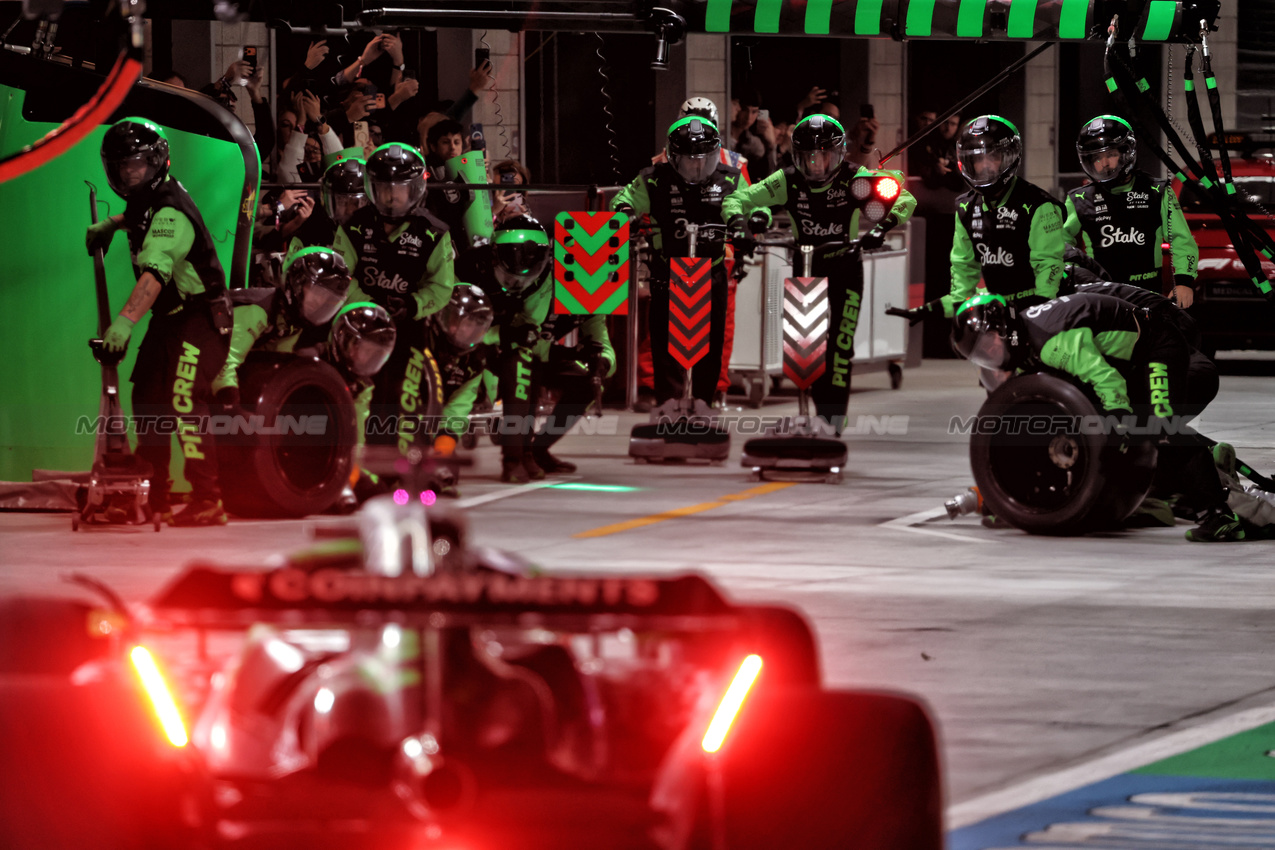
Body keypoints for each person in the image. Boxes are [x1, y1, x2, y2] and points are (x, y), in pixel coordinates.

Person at [951, 292, 1244, 542]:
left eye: (989, 344)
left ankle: (1218, 517)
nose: (990, 355)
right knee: (1144, 432)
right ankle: (1204, 481)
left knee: (1162, 428)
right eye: (982, 355)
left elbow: (1106, 380)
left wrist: (1117, 422)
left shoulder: (1052, 342)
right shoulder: (1029, 335)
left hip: (1157, 346)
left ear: (1003, 329)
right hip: (1130, 359)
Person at [721, 113, 915, 431]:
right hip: (806, 268)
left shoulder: (855, 178)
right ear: (797, 157)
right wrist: (741, 226)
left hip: (846, 268)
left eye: (825, 155)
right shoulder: (786, 180)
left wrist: (883, 228)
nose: (817, 165)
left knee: (840, 345)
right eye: (809, 157)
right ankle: (812, 415)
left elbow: (904, 198)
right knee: (803, 347)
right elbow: (738, 199)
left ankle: (832, 419)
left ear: (838, 153)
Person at [84, 117, 233, 526]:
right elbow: (136, 216)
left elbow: (154, 274)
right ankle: (157, 498)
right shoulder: (146, 198)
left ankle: (209, 500)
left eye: (136, 165)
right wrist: (111, 224)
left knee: (184, 399)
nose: (128, 174)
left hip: (200, 315)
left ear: (156, 161)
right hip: (170, 318)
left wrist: (124, 323)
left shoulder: (171, 212)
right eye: (120, 167)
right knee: (148, 399)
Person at [611, 117, 745, 409]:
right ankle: (668, 406)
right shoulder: (653, 178)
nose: (697, 167)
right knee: (664, 344)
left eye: (704, 160)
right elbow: (624, 200)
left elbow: (754, 204)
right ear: (673, 157)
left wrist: (750, 223)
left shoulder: (732, 177)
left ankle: (703, 405)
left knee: (712, 344)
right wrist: (625, 214)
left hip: (713, 270)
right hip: (666, 270)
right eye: (688, 161)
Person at [894, 115, 1065, 328]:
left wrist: (1040, 315)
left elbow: (1049, 268)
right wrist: (931, 309)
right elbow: (963, 275)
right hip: (997, 313)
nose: (984, 166)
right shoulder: (965, 208)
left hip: (1040, 311)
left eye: (991, 157)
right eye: (977, 159)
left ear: (1008, 157)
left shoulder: (1039, 205)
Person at [1064, 115, 1199, 306]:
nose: (1105, 163)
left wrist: (1184, 282)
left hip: (1147, 294)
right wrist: (1071, 276)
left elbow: (1181, 239)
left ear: (1126, 152)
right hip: (1101, 297)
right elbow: (1059, 245)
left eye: (1111, 154)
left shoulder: (1156, 191)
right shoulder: (1079, 199)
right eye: (1097, 158)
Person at [211, 248, 352, 405]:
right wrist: (231, 406)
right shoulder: (258, 310)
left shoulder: (292, 320)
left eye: (327, 297)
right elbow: (223, 362)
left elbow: (273, 369)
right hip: (196, 357)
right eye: (316, 291)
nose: (319, 301)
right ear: (296, 281)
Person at [423, 118, 469, 238]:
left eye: (457, 142)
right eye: (446, 142)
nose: (452, 147)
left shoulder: (469, 170)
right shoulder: (426, 173)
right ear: (433, 146)